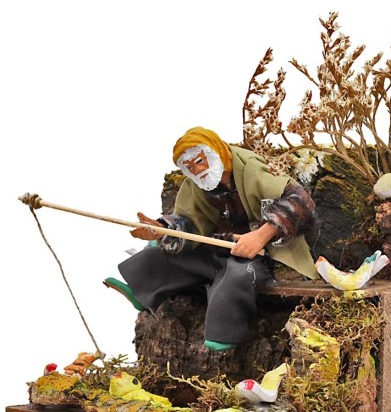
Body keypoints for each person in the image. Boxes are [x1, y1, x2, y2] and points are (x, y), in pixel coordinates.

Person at [105, 127, 318, 351]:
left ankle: (224, 333)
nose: (197, 170)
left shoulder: (252, 169)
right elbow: (189, 223)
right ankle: (142, 289)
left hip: (261, 253)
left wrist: (260, 235)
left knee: (238, 274)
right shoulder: (198, 185)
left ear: (216, 152)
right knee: (160, 253)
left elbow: (300, 202)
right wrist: (162, 230)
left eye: (200, 161)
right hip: (219, 244)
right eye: (189, 167)